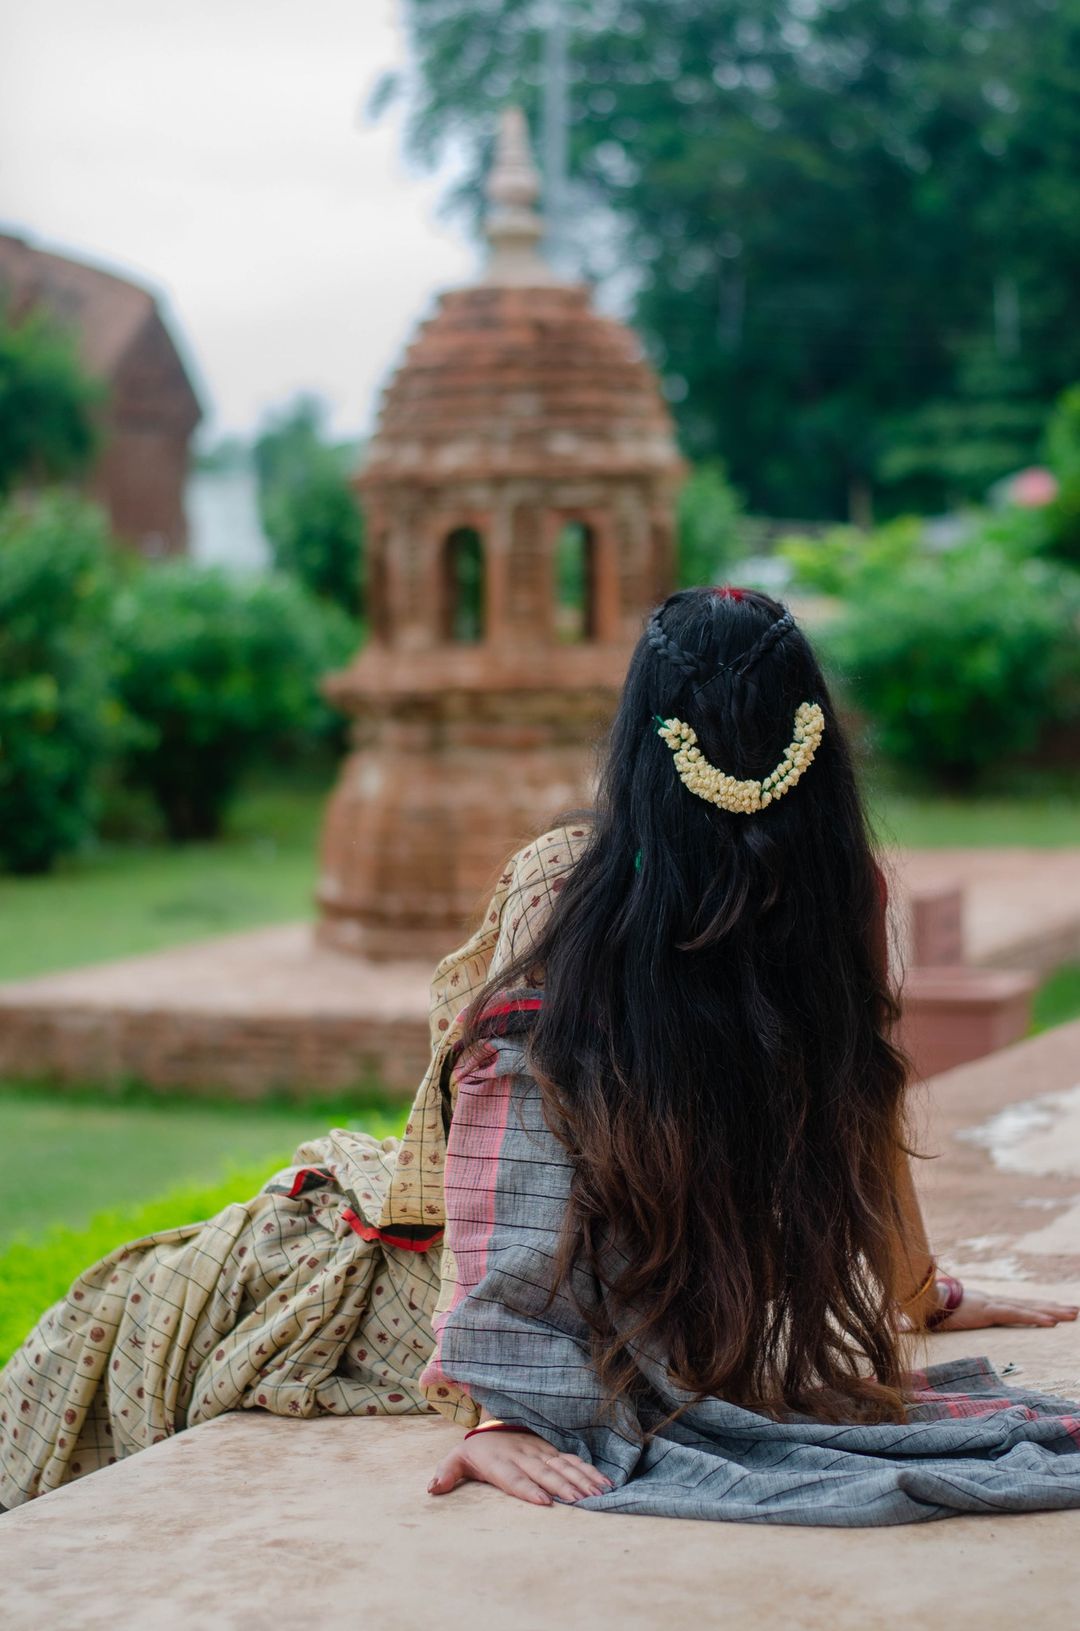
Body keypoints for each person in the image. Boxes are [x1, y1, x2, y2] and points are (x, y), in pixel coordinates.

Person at [1, 587, 1077, 1524]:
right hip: (469, 1284)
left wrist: (919, 1293)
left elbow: (843, 1098)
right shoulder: (784, 885)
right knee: (99, 1341)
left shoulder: (588, 883)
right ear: (815, 734)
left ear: (641, 737)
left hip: (512, 1288)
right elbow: (510, 1146)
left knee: (98, 1335)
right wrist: (501, 1397)